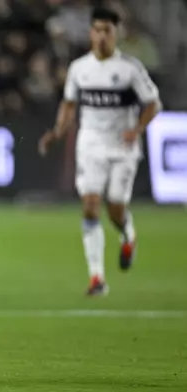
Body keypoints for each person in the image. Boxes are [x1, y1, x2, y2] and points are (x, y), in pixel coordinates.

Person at [38, 8, 161, 296]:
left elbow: (152, 103)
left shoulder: (130, 69)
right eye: (97, 29)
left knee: (116, 206)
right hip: (90, 144)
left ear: (116, 33)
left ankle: (128, 234)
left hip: (123, 147)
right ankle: (97, 278)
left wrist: (138, 129)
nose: (102, 35)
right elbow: (69, 104)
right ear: (91, 32)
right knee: (91, 205)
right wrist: (57, 131)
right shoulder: (80, 68)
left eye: (107, 30)